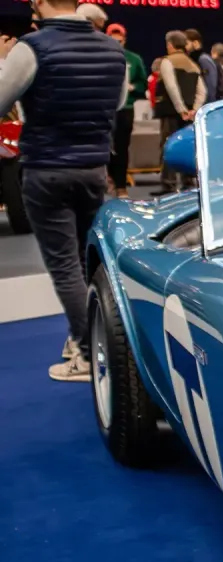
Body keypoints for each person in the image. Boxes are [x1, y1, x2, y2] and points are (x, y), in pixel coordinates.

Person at [0, 0, 126, 381]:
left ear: (39, 3)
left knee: (65, 266)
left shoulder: (32, 47)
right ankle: (91, 340)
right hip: (94, 170)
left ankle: (88, 352)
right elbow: (118, 102)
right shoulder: (112, 49)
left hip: (47, 171)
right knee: (88, 259)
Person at [155, 30, 206, 195]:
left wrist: (181, 109)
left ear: (170, 44)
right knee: (186, 146)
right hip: (189, 114)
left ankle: (168, 184)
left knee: (168, 146)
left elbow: (171, 87)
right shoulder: (193, 64)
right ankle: (188, 183)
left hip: (172, 112)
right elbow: (202, 91)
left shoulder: (167, 61)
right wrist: (194, 110)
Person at [106, 23, 146, 199]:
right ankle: (108, 179)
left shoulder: (134, 59)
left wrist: (133, 87)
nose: (117, 44)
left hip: (125, 109)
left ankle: (121, 185)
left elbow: (143, 84)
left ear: (125, 41)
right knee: (103, 146)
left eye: (120, 41)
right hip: (105, 108)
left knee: (122, 148)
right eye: (113, 40)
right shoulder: (100, 56)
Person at [184, 29, 220, 105]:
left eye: (186, 43)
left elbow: (210, 85)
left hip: (204, 105)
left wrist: (206, 106)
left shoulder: (203, 59)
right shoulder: (194, 59)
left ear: (195, 43)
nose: (184, 47)